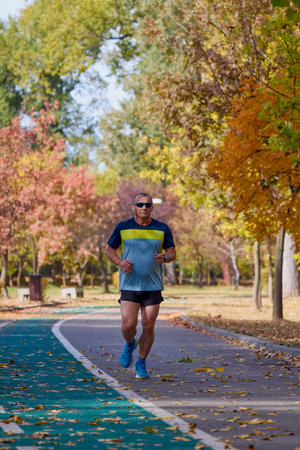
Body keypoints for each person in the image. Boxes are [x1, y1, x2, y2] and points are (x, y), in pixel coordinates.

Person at [105, 193, 176, 379]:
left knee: (148, 325)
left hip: (152, 285)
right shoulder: (123, 227)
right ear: (133, 207)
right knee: (128, 325)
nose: (144, 207)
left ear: (152, 207)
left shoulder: (162, 228)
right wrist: (120, 263)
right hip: (129, 284)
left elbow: (172, 251)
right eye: (140, 204)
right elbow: (109, 249)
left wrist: (166, 257)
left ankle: (141, 363)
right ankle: (130, 343)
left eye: (147, 204)